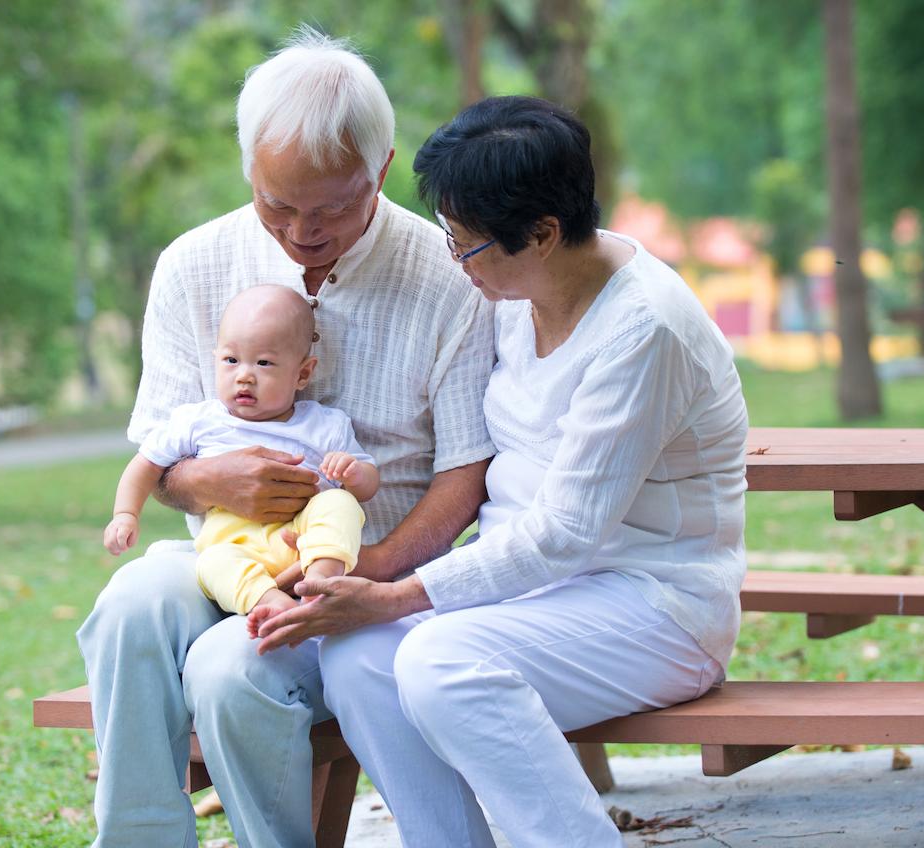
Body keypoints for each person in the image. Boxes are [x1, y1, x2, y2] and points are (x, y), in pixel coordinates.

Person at [253, 95, 750, 848]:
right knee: (358, 660)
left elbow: (565, 536)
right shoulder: (516, 291)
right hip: (532, 599)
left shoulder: (644, 331)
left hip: (654, 605)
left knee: (439, 659)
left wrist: (394, 595)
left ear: (544, 234)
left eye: (468, 246)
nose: (458, 264)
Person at [76, 29, 495, 848]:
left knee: (231, 670)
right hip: (223, 558)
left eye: (333, 205)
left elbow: (465, 475)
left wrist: (361, 574)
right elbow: (161, 460)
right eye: (277, 203)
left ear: (380, 169)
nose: (302, 230)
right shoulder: (192, 265)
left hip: (369, 577)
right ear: (248, 171)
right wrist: (207, 482)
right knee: (127, 606)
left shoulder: (449, 280)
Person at [102, 285, 379, 618]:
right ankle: (266, 602)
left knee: (339, 502)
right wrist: (125, 514)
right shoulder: (199, 421)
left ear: (302, 373)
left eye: (264, 363)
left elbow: (367, 486)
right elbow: (145, 463)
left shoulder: (324, 425)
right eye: (231, 360)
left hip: (301, 540)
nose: (244, 376)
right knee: (211, 563)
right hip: (233, 543)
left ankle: (321, 577)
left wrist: (353, 472)